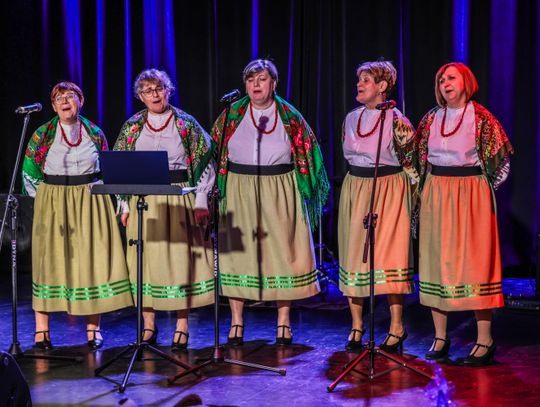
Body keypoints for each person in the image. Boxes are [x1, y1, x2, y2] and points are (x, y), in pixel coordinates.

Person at [211, 59, 329, 346]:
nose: (255, 84)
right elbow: (213, 152)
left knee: (282, 252)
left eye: (262, 79)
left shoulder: (289, 116)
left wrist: (306, 187)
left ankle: (283, 321)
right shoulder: (231, 115)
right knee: (237, 254)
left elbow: (310, 153)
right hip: (239, 187)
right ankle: (236, 321)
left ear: (273, 83)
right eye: (250, 79)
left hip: (279, 186)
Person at [22, 81, 133, 350]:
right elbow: (29, 172)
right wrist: (45, 201)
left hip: (90, 199)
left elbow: (108, 170)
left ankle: (93, 329)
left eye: (70, 96)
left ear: (80, 101)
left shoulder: (94, 133)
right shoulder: (42, 134)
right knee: (49, 262)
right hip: (54, 199)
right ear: (53, 106)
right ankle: (42, 330)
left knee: (92, 262)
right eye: (59, 98)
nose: (64, 101)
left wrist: (121, 203)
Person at [416, 62, 513, 366]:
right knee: (436, 261)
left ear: (466, 83)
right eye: (441, 79)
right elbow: (418, 159)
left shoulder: (481, 118)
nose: (445, 83)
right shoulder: (431, 118)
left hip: (471, 192)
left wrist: (480, 191)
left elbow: (502, 162)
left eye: (451, 78)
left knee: (476, 263)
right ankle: (440, 337)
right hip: (437, 191)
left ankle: (485, 339)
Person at [114, 69, 215, 351]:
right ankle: (148, 324)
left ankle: (182, 325)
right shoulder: (133, 126)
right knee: (144, 262)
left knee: (180, 261)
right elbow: (120, 165)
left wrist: (201, 201)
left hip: (178, 196)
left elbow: (205, 161)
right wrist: (124, 204)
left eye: (159, 88)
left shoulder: (185, 123)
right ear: (140, 96)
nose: (154, 94)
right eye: (147, 90)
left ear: (168, 91)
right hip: (144, 198)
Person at [338, 61, 419, 353]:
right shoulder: (351, 119)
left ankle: (397, 326)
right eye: (359, 79)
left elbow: (413, 165)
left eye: (367, 80)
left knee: (390, 257)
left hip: (389, 188)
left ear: (382, 86)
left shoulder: (398, 121)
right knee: (354, 255)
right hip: (356, 186)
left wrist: (411, 203)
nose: (359, 84)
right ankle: (356, 325)